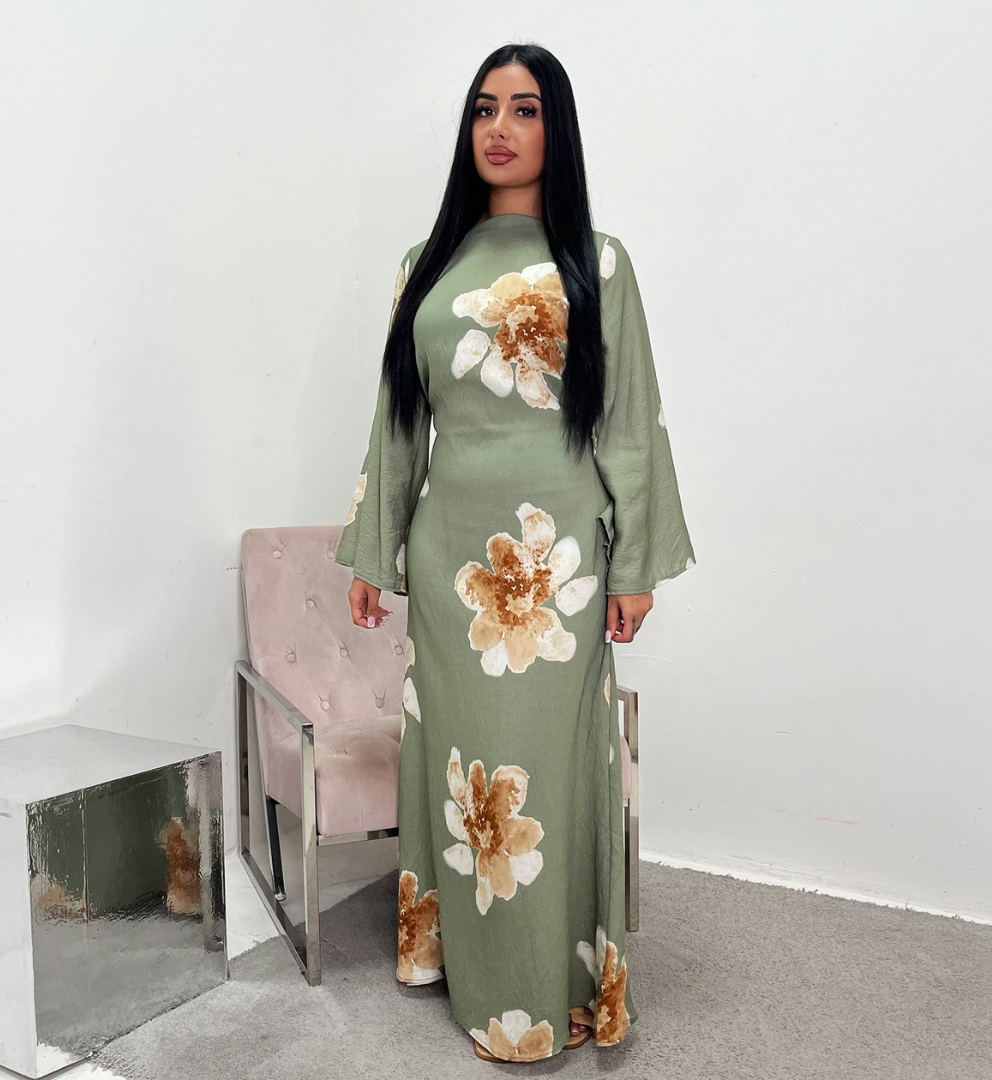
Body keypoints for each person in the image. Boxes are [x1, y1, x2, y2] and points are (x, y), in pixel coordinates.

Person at [333, 41, 695, 1063]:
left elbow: (631, 425)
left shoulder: (600, 261)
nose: (499, 127)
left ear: (555, 129)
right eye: (485, 108)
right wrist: (375, 551)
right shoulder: (425, 265)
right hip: (453, 561)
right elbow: (398, 423)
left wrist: (634, 568)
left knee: (544, 770)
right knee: (465, 777)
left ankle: (549, 989)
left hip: (555, 566)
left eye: (525, 109)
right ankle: (471, 967)